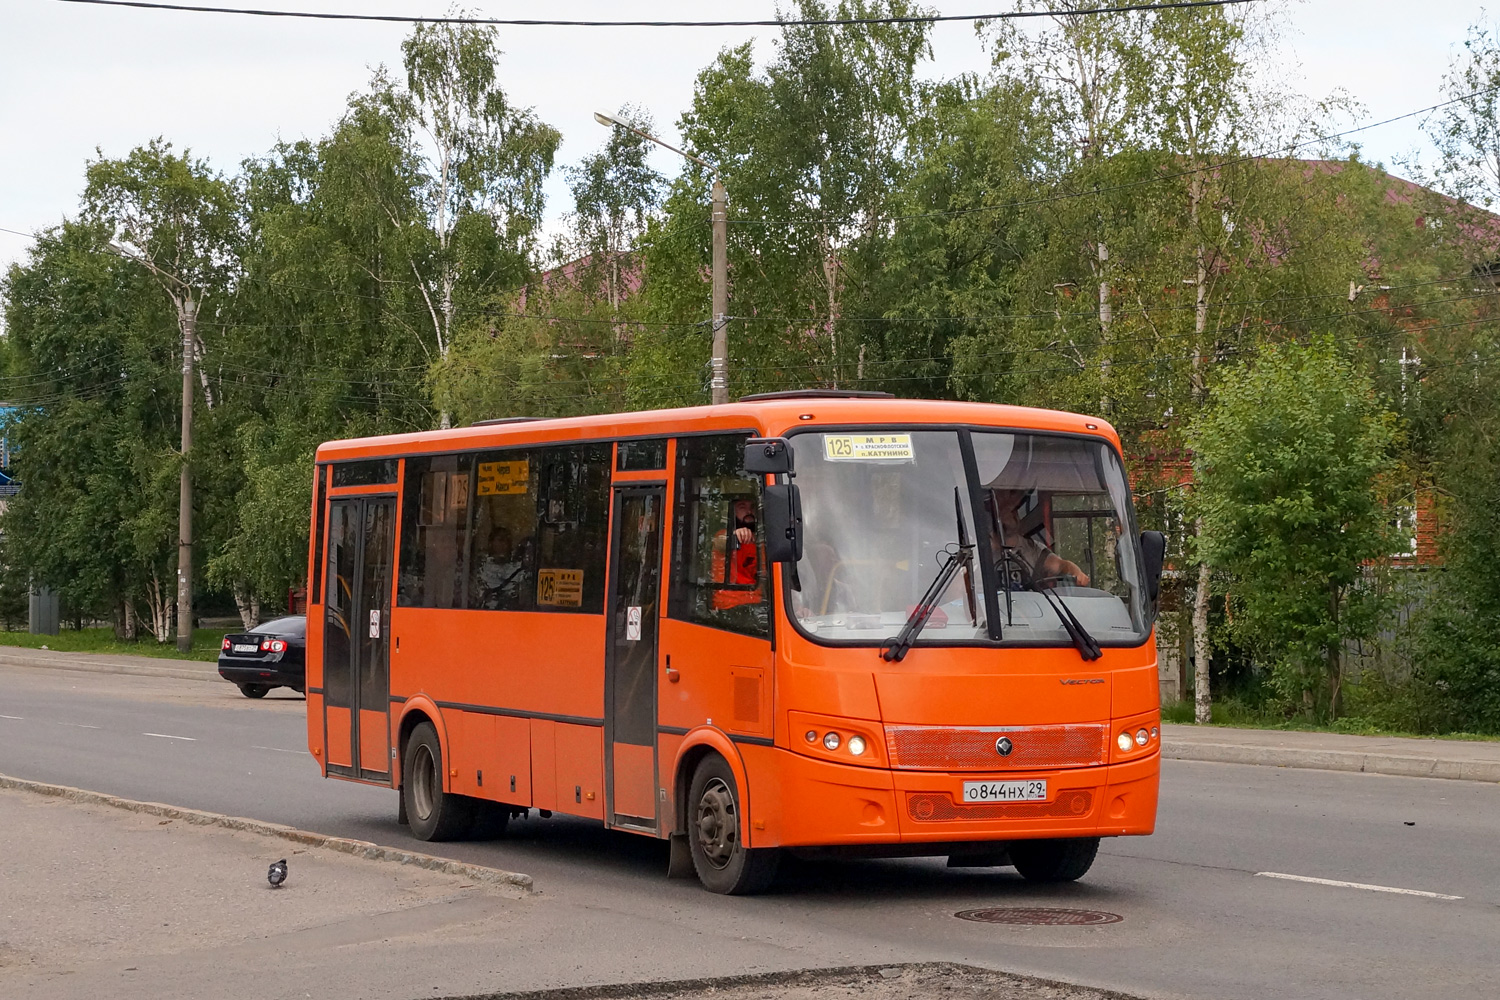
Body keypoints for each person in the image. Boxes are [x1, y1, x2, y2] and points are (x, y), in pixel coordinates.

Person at [988, 489, 1090, 590]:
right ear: (996, 515)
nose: (1014, 515)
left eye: (1015, 511)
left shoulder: (1032, 548)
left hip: (1028, 604)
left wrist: (1075, 572)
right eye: (1007, 511)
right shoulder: (982, 548)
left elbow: (1060, 565)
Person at [712, 498, 762, 609]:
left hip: (758, 606)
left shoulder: (761, 542)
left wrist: (797, 607)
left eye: (752, 507)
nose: (749, 512)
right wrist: (734, 535)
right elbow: (719, 542)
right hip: (730, 606)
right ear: (732, 512)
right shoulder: (722, 535)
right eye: (742, 507)